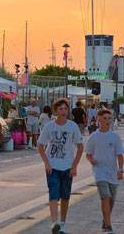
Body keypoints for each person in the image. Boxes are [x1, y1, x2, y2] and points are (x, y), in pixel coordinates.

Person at [37, 98, 83, 234]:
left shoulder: (72, 126)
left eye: (65, 109)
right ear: (55, 111)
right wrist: (47, 163)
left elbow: (80, 147)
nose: (63, 111)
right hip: (53, 166)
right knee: (53, 194)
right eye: (61, 109)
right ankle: (54, 222)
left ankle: (63, 223)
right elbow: (40, 146)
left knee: (65, 196)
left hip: (67, 166)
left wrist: (74, 166)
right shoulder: (49, 127)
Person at [85, 109, 124, 234]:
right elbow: (88, 154)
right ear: (99, 119)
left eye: (109, 118)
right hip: (99, 172)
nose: (108, 121)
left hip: (112, 171)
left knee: (111, 199)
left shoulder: (115, 137)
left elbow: (120, 155)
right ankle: (108, 226)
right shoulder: (93, 137)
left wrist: (120, 170)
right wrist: (91, 160)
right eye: (105, 118)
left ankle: (105, 219)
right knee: (105, 197)